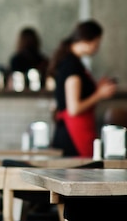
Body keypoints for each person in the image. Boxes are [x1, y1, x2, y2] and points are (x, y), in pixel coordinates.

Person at [49, 19, 117, 157]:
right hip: (72, 137)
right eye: (97, 42)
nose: (97, 47)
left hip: (69, 132)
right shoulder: (72, 67)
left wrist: (96, 89)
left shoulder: (72, 62)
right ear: (87, 40)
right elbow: (74, 109)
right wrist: (99, 94)